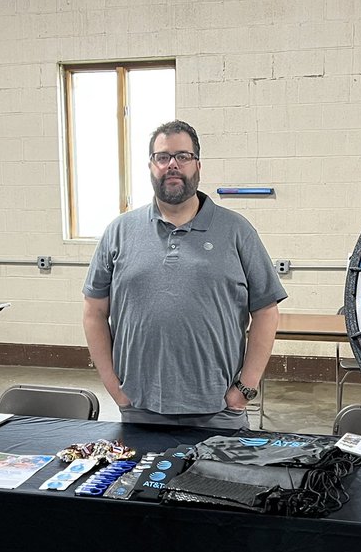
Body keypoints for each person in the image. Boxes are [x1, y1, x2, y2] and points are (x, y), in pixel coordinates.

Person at [83, 120, 286, 428]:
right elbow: (94, 312)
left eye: (183, 156)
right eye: (162, 157)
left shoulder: (237, 231)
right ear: (151, 166)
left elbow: (267, 312)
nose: (172, 165)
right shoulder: (119, 232)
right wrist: (114, 387)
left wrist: (244, 389)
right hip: (139, 408)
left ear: (198, 165)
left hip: (219, 412)